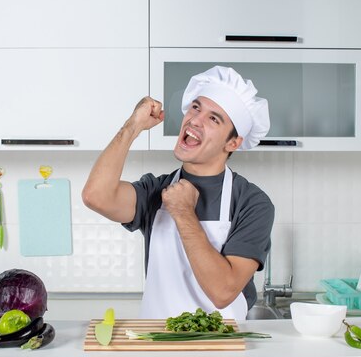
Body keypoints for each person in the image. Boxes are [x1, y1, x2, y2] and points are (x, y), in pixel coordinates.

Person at [82, 66, 274, 320]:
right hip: (157, 347)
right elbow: (96, 195)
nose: (195, 120)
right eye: (196, 108)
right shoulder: (155, 190)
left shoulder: (252, 203)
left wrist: (183, 212)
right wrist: (133, 125)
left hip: (221, 348)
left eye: (213, 118)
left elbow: (223, 291)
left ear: (232, 143)